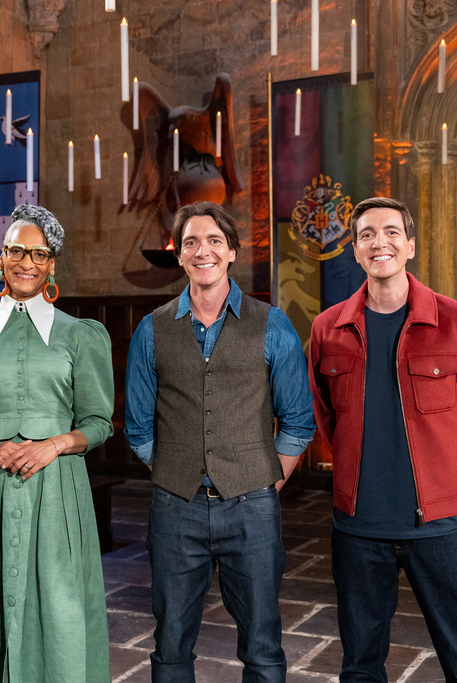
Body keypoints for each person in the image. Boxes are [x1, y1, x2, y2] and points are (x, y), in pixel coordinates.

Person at [309, 197, 457, 682]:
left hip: (441, 528)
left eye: (392, 232)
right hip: (358, 528)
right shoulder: (327, 328)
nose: (380, 243)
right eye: (367, 235)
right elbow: (325, 415)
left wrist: (452, 490)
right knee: (360, 665)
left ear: (410, 246)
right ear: (355, 251)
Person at [125, 201, 315, 682]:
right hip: (175, 509)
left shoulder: (272, 324)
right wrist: (176, 474)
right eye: (191, 242)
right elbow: (138, 428)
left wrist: (266, 483)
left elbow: (298, 421)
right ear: (179, 255)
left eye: (214, 241)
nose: (202, 250)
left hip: (252, 509)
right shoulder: (151, 329)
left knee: (263, 646)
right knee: (170, 645)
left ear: (231, 251)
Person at [0, 204, 114, 682]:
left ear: (52, 264)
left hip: (56, 491)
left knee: (59, 607)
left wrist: (54, 445)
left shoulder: (81, 336)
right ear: (1, 259)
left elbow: (99, 422)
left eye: (39, 253)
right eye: (16, 251)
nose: (26, 262)